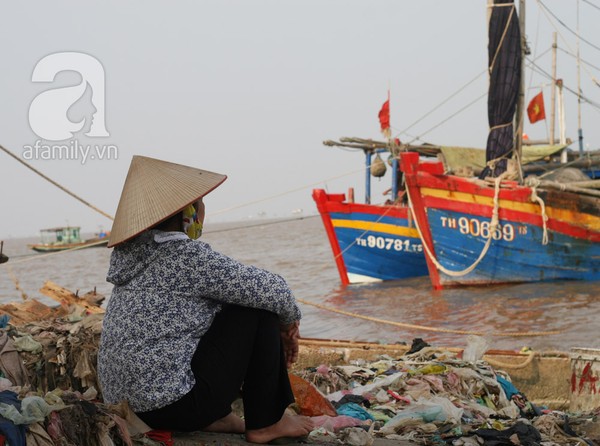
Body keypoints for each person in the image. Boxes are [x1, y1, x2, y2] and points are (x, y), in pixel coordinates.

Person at [97, 155, 313, 444]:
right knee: (257, 311)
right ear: (189, 214)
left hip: (130, 408)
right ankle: (266, 423)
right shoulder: (185, 256)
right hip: (171, 407)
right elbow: (275, 290)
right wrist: (288, 327)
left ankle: (217, 417)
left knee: (224, 306)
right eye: (199, 205)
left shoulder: (133, 256)